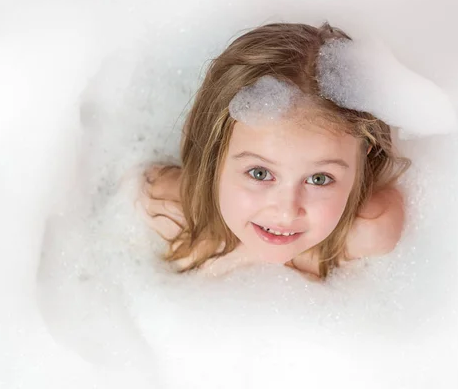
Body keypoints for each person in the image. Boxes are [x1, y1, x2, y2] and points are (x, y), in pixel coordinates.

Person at [136, 22, 411, 280]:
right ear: (214, 155)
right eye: (259, 173)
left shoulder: (370, 229)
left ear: (363, 160)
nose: (286, 212)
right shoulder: (166, 208)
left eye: (319, 179)